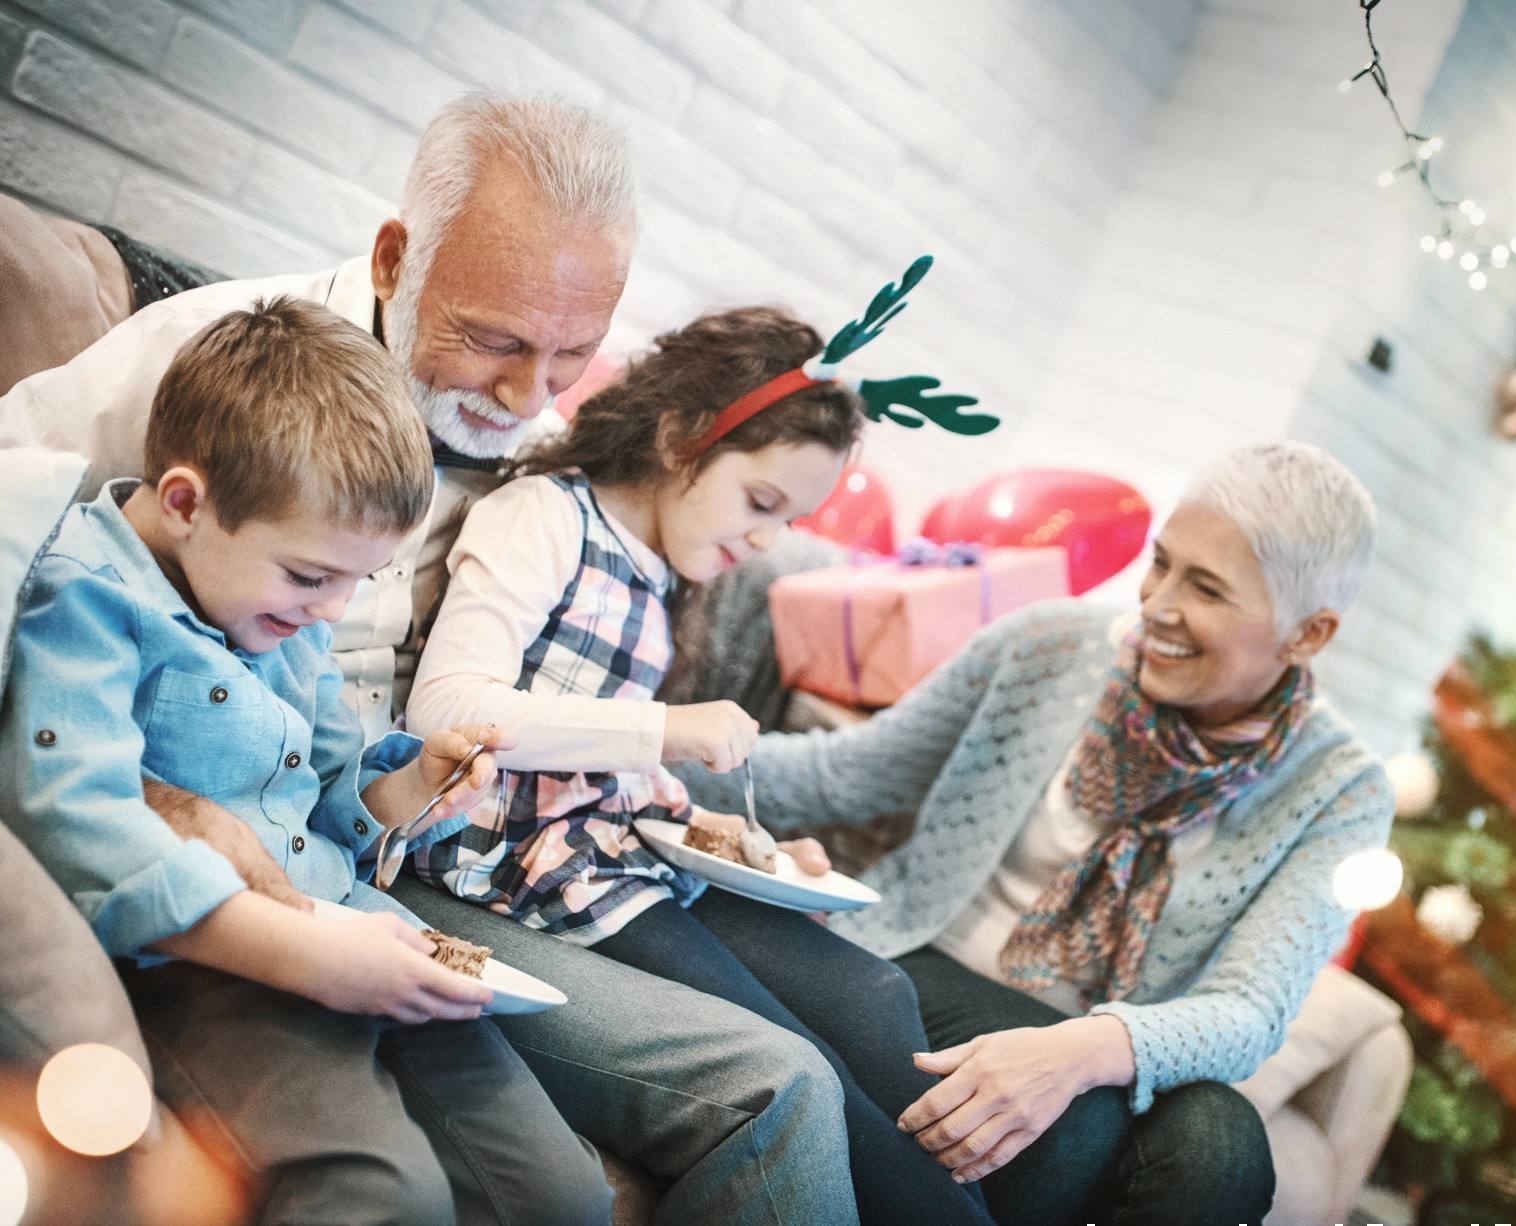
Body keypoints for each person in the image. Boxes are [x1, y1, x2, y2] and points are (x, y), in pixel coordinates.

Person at [0, 90, 857, 1224]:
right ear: (394, 260)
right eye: (496, 340)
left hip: (379, 877)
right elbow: (39, 612)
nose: (527, 396)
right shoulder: (189, 382)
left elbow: (340, 766)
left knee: (659, 1134)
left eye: (573, 355)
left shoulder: (528, 464)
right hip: (254, 913)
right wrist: (170, 804)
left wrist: (409, 785)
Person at [0, 298, 614, 1225]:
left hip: (354, 927)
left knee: (562, 1194)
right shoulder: (84, 599)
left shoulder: (285, 618)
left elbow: (333, 793)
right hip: (213, 966)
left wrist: (415, 785)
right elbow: (74, 816)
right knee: (384, 1194)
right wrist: (309, 955)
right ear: (184, 504)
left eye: (357, 581)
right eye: (310, 577)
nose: (333, 613)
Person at [679, 442, 1395, 1226]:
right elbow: (841, 775)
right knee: (1071, 1137)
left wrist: (1076, 1052)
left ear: (1307, 634)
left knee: (1221, 1152)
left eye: (1206, 589)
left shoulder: (1340, 790)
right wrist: (643, 745)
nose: (1157, 605)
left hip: (1112, 1045)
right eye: (1161, 564)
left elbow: (1249, 1010)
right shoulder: (1049, 645)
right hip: (930, 961)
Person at [401, 305, 994, 1226]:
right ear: (680, 439)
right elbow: (445, 709)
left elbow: (603, 758)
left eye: (788, 519)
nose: (765, 542)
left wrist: (714, 828)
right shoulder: (542, 517)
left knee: (873, 991)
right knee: (800, 1057)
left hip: (611, 853)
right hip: (512, 862)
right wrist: (665, 729)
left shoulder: (660, 568)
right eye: (761, 504)